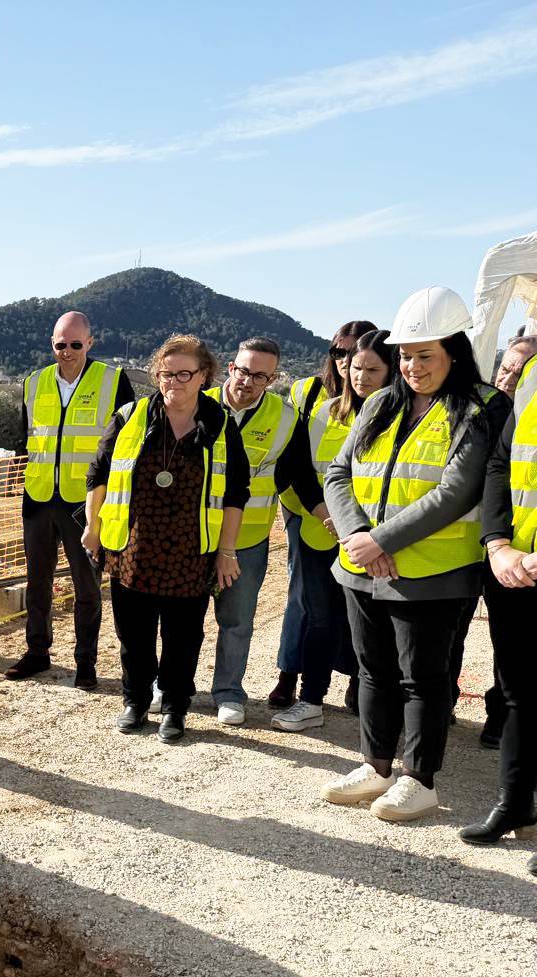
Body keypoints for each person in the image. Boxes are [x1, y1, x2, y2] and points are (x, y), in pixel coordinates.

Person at [320, 287, 505, 823]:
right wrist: (359, 536)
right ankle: (376, 766)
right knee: (373, 670)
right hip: (363, 566)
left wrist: (382, 541)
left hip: (434, 571)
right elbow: (338, 473)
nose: (412, 366)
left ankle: (418, 779)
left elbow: (457, 491)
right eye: (405, 355)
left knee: (423, 679)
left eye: (425, 355)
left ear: (454, 350)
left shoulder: (481, 407)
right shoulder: (380, 403)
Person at [83, 335, 248, 744]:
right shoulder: (129, 417)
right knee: (133, 637)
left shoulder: (221, 425)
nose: (174, 381)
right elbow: (98, 476)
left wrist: (226, 551)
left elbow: (235, 495)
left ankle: (175, 708)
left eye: (184, 374)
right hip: (133, 549)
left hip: (191, 553)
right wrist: (93, 528)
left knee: (183, 639)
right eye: (166, 373)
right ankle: (136, 701)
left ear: (205, 375)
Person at [272, 330, 393, 732]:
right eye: (355, 367)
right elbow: (296, 469)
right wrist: (329, 516)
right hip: (320, 531)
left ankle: (365, 691)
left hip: (377, 541)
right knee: (320, 618)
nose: (359, 376)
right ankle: (310, 700)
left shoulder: (400, 416)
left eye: (372, 369)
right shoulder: (325, 409)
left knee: (371, 622)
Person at [7, 311, 134, 689]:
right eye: (60, 345)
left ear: (90, 343)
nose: (67, 352)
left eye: (75, 344)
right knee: (38, 582)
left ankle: (86, 663)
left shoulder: (113, 381)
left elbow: (124, 447)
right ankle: (37, 652)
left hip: (86, 503)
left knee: (87, 587)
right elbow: (25, 436)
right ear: (52, 345)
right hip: (39, 497)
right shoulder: (34, 383)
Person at [202, 338, 326, 727]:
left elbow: (301, 477)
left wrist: (328, 516)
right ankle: (170, 686)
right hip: (194, 536)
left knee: (237, 621)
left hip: (248, 541)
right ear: (229, 366)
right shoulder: (198, 404)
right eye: (243, 371)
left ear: (272, 379)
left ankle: (229, 693)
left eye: (260, 376)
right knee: (181, 618)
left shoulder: (285, 417)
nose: (248, 382)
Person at [463, 348, 537, 869]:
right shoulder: (532, 376)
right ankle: (514, 805)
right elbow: (501, 463)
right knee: (517, 693)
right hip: (516, 569)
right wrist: (497, 542)